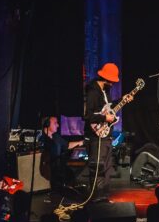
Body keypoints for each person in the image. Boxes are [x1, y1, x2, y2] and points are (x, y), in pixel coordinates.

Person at [84, 62, 132, 200]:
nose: (113, 83)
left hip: (106, 134)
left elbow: (108, 108)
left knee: (106, 167)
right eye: (112, 80)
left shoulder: (105, 89)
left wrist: (122, 100)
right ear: (106, 78)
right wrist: (105, 117)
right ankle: (96, 198)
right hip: (95, 135)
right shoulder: (92, 91)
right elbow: (87, 115)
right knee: (97, 167)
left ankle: (104, 196)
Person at [39, 116, 84, 191]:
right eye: (55, 123)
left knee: (71, 175)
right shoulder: (40, 138)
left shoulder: (56, 137)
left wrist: (80, 142)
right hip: (47, 168)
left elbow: (67, 145)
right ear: (47, 124)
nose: (58, 125)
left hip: (57, 167)